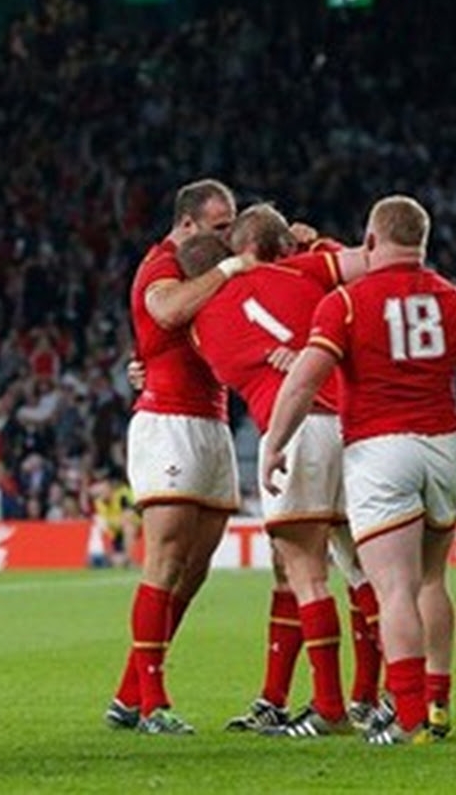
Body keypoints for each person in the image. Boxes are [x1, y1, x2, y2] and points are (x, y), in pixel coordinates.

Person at [176, 207, 379, 738]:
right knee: (363, 571)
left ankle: (330, 708)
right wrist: (320, 244)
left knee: (303, 574)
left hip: (296, 431)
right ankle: (373, 700)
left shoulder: (206, 324)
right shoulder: (307, 270)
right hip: (353, 429)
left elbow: (216, 360)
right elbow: (369, 261)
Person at [262, 195, 456, 745]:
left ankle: (409, 716)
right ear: (423, 242)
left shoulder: (346, 302)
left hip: (380, 447)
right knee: (432, 580)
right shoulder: (450, 298)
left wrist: (275, 443)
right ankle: (438, 702)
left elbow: (302, 382)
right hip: (444, 443)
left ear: (370, 241)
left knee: (393, 587)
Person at [106, 179, 251, 735]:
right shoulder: (162, 263)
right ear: (186, 223)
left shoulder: (214, 262)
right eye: (220, 225)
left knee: (193, 572)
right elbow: (165, 311)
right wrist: (229, 271)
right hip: (169, 421)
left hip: (212, 421)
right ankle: (152, 703)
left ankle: (128, 693)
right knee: (165, 562)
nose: (229, 235)